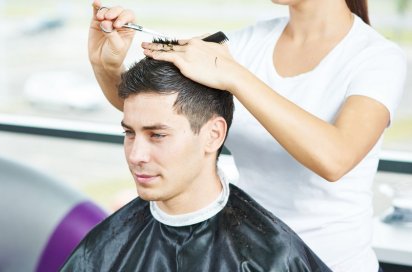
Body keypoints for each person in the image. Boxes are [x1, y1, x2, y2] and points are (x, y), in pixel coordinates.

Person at [88, 0, 407, 271]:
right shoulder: (247, 42)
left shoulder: (377, 58)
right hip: (247, 257)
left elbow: (336, 157)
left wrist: (234, 75)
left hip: (330, 263)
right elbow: (159, 116)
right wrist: (107, 64)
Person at [61, 56, 331, 271]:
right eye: (130, 133)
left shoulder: (272, 258)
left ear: (213, 135)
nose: (135, 155)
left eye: (157, 135)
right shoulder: (102, 248)